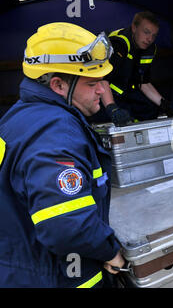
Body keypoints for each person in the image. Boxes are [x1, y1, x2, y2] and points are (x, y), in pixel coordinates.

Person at [0, 22, 125, 287]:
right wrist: (109, 251)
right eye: (93, 83)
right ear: (58, 84)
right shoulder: (55, 132)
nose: (102, 91)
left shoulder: (21, 118)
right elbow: (65, 226)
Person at [92, 11, 173, 126]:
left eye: (153, 36)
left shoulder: (150, 49)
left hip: (128, 94)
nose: (149, 39)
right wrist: (111, 108)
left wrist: (165, 104)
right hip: (107, 94)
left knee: (151, 109)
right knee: (108, 116)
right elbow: (102, 78)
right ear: (134, 28)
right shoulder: (119, 43)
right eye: (146, 32)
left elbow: (143, 83)